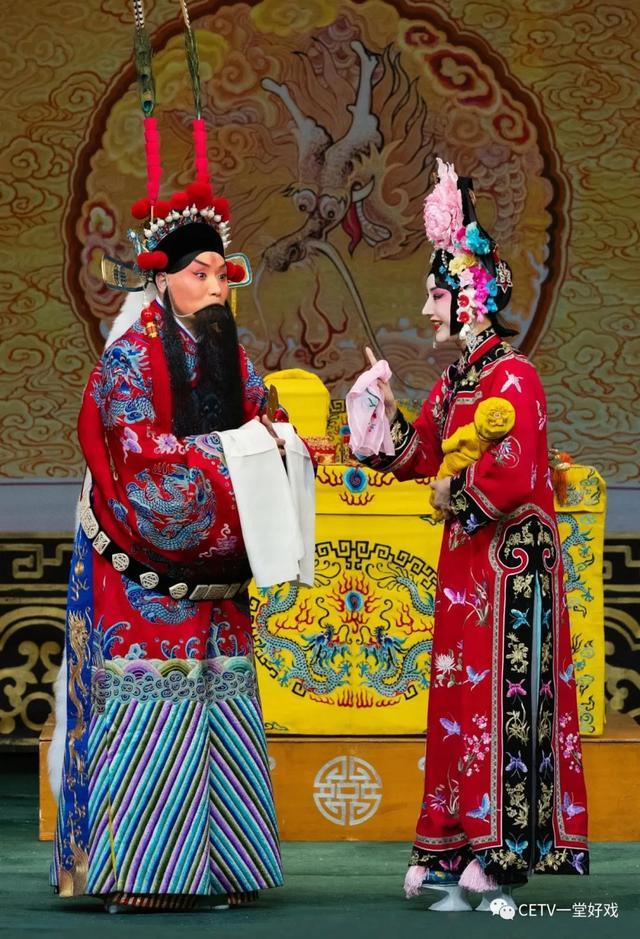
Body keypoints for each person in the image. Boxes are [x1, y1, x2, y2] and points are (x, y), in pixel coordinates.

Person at [49, 152, 305, 909]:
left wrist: (286, 444)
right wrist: (242, 456)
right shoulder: (128, 362)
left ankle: (224, 867)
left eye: (223, 275)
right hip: (143, 566)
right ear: (161, 279)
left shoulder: (232, 355)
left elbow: (263, 420)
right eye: (201, 274)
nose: (217, 287)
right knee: (153, 703)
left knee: (219, 698)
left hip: (214, 571)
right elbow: (143, 461)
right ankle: (146, 875)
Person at [354, 159, 589, 910]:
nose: (426, 309)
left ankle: (503, 850)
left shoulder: (513, 377)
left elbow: (513, 475)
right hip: (469, 561)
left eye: (435, 295)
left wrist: (453, 491)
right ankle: (452, 843)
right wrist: (379, 411)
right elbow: (418, 453)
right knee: (458, 700)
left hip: (512, 565)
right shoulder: (458, 382)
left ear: (471, 298)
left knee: (501, 704)